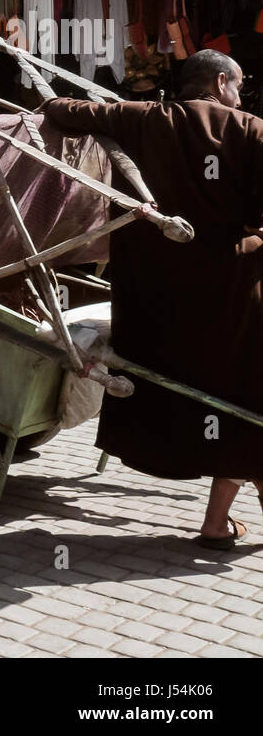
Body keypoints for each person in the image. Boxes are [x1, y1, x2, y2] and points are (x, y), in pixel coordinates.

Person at [42, 49, 263, 549]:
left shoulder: (141, 118)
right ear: (222, 82)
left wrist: (52, 103)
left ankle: (214, 524)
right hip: (234, 297)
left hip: (159, 303)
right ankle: (213, 524)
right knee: (246, 399)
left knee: (217, 398)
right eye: (239, 85)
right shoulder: (250, 130)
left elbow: (64, 111)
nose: (240, 95)